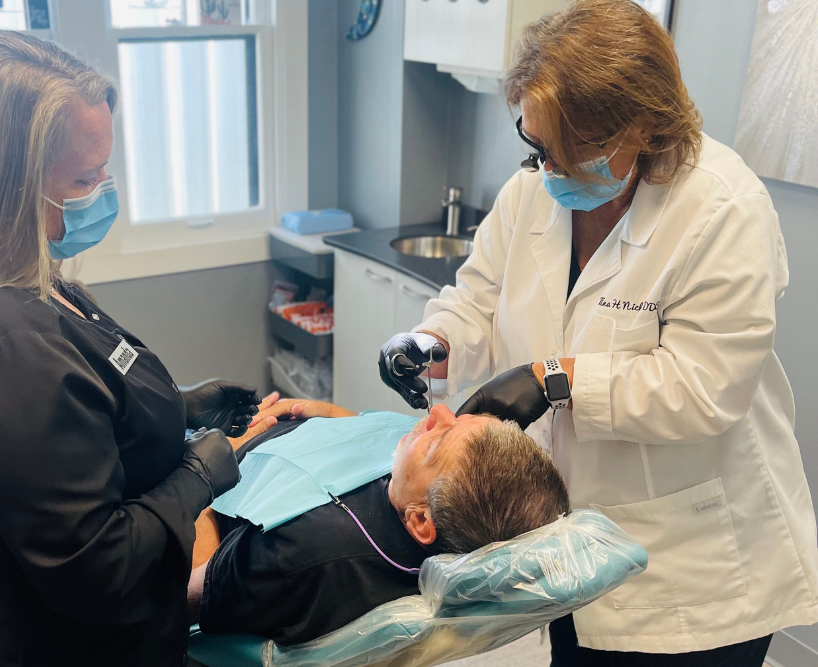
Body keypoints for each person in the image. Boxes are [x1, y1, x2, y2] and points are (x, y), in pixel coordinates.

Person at [378, 1, 818, 665]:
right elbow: (478, 295)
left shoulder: (723, 208)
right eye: (535, 147)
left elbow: (702, 389)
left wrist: (554, 378)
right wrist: (432, 339)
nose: (544, 170)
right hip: (570, 547)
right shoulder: (534, 189)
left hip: (694, 569)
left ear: (639, 127)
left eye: (563, 151)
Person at [0, 31, 263, 667]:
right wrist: (200, 473)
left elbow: (72, 411)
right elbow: (96, 568)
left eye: (105, 169)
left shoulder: (36, 283)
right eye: (83, 177)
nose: (104, 190)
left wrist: (180, 408)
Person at [186, 401, 571, 645]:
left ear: (421, 521)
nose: (437, 414)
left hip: (201, 480)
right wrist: (337, 421)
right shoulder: (432, 514)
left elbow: (177, 594)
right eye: (462, 417)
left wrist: (202, 478)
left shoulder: (302, 552)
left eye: (436, 440)